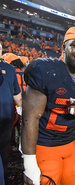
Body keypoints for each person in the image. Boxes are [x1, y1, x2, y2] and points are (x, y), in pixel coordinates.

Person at [21, 27, 75, 185]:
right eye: (74, 45)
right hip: (44, 146)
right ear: (63, 47)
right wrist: (29, 164)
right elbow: (30, 119)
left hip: (72, 145)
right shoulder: (45, 70)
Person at [0, 43, 22, 184]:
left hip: (5, 119)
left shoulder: (9, 69)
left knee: (3, 151)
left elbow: (17, 94)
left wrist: (22, 109)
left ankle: (3, 177)